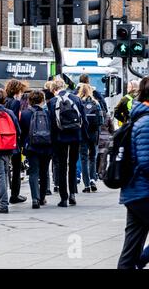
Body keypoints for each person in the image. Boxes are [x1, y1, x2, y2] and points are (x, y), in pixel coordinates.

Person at [118, 77, 149, 269]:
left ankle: (137, 261)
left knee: (131, 249)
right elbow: (147, 161)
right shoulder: (147, 121)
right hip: (144, 191)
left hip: (135, 191)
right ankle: (141, 259)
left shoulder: (138, 117)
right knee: (132, 251)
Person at [48, 78, 88, 207]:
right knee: (72, 164)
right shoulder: (76, 99)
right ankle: (73, 194)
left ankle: (63, 197)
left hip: (60, 137)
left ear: (54, 89)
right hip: (75, 136)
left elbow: (51, 123)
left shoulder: (53, 101)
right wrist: (84, 136)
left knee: (61, 166)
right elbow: (84, 119)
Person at [20, 90, 52, 209]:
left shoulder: (24, 114)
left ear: (30, 100)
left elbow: (22, 133)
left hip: (32, 147)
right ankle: (42, 197)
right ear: (42, 101)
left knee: (33, 172)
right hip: (47, 147)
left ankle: (35, 198)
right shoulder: (48, 113)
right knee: (44, 172)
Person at [4, 79, 28, 204]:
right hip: (13, 139)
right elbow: (15, 121)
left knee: (3, 167)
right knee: (16, 167)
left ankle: (0, 194)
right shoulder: (15, 103)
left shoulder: (3, 100)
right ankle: (15, 194)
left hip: (1, 138)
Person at [77, 84, 103, 193]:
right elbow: (101, 120)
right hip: (94, 134)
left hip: (83, 134)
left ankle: (86, 185)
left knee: (83, 158)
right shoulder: (96, 103)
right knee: (93, 157)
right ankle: (93, 180)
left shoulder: (78, 102)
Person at [97, 110, 115, 180]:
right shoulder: (107, 116)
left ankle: (94, 173)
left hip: (96, 137)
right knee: (103, 157)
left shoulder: (93, 112)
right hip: (105, 139)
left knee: (94, 157)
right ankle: (101, 172)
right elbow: (112, 129)